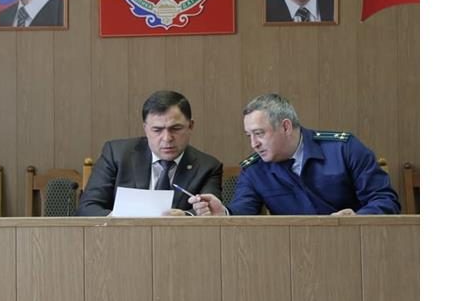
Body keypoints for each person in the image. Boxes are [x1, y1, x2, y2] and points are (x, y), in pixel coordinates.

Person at [190, 94, 400, 216]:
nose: (253, 144)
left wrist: (357, 218)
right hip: (293, 255)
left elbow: (385, 200)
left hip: (356, 244)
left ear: (286, 127)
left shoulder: (343, 149)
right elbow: (244, 212)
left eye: (259, 133)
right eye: (249, 136)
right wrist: (224, 214)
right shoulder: (254, 170)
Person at [77, 90, 222, 216]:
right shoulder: (117, 154)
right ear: (145, 129)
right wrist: (117, 222)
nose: (167, 138)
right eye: (157, 130)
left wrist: (185, 216)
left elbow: (210, 211)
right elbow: (87, 207)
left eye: (176, 129)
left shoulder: (207, 167)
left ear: (190, 126)